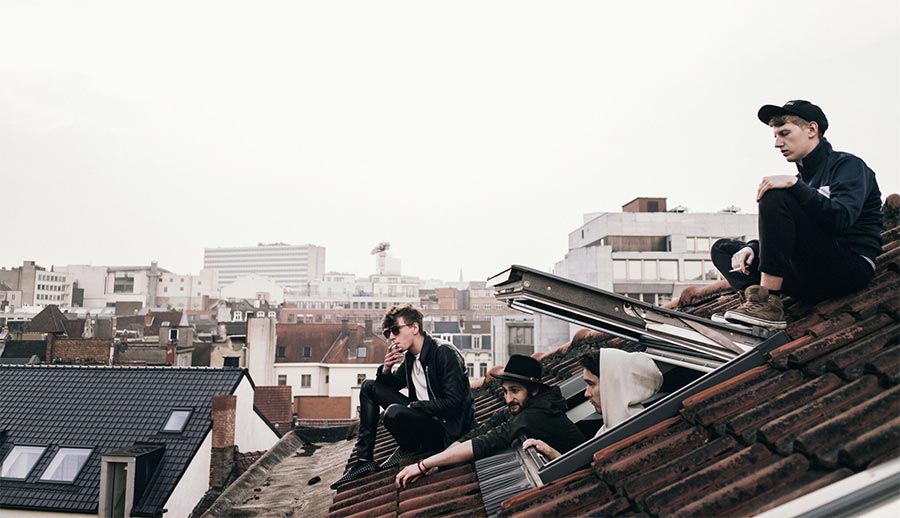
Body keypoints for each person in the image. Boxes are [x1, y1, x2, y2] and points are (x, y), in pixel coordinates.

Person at [711, 100, 883, 329]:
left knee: (775, 194)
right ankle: (753, 303)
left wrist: (794, 185)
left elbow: (841, 219)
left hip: (848, 268)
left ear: (811, 129)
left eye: (784, 133)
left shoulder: (848, 166)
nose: (777, 143)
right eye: (775, 136)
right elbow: (788, 234)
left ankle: (768, 302)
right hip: (808, 275)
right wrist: (752, 248)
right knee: (724, 249)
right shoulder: (800, 182)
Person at [331, 304, 475, 489]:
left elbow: (454, 403)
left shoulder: (444, 353)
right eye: (387, 333)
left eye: (395, 330)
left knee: (393, 413)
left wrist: (415, 406)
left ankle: (410, 448)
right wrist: (386, 369)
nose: (391, 337)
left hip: (446, 431)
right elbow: (387, 388)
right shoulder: (411, 358)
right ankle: (364, 460)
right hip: (424, 419)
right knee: (368, 387)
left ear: (414, 327)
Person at [394, 354, 585, 488]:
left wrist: (422, 465)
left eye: (515, 391)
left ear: (533, 390)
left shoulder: (538, 414)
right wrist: (439, 461)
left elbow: (487, 441)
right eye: (505, 391)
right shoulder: (525, 406)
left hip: (581, 478)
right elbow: (480, 432)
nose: (508, 399)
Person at [522, 348, 662, 460]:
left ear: (613, 384)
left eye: (591, 384)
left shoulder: (632, 433)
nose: (586, 393)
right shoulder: (613, 426)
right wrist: (551, 453)